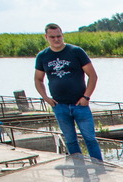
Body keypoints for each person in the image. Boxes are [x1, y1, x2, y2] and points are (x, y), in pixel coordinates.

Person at [34, 24, 102, 160]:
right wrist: (46, 98)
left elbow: (93, 76)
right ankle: (79, 167)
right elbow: (38, 79)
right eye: (52, 37)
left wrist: (86, 97)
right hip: (59, 105)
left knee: (90, 138)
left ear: (62, 35)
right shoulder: (42, 56)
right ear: (46, 37)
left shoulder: (76, 52)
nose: (56, 39)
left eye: (59, 36)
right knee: (70, 140)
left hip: (80, 104)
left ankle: (99, 166)